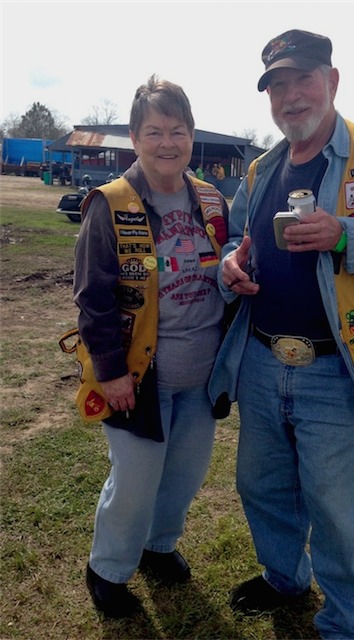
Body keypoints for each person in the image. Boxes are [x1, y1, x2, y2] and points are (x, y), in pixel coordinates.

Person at [208, 29, 354, 639]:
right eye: (277, 86)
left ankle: (346, 622)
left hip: (341, 367)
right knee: (261, 485)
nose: (290, 96)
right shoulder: (261, 169)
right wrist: (230, 265)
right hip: (262, 360)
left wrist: (345, 235)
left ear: (332, 81)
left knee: (335, 506)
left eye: (302, 79)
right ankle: (285, 577)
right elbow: (235, 238)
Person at [73, 75, 230, 619]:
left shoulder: (211, 198)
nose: (168, 143)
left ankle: (158, 547)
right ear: (135, 138)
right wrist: (111, 371)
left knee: (183, 475)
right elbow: (92, 297)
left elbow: (230, 263)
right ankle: (108, 568)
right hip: (138, 377)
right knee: (136, 481)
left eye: (178, 131)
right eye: (155, 132)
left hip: (203, 374)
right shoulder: (110, 203)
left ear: (192, 136)